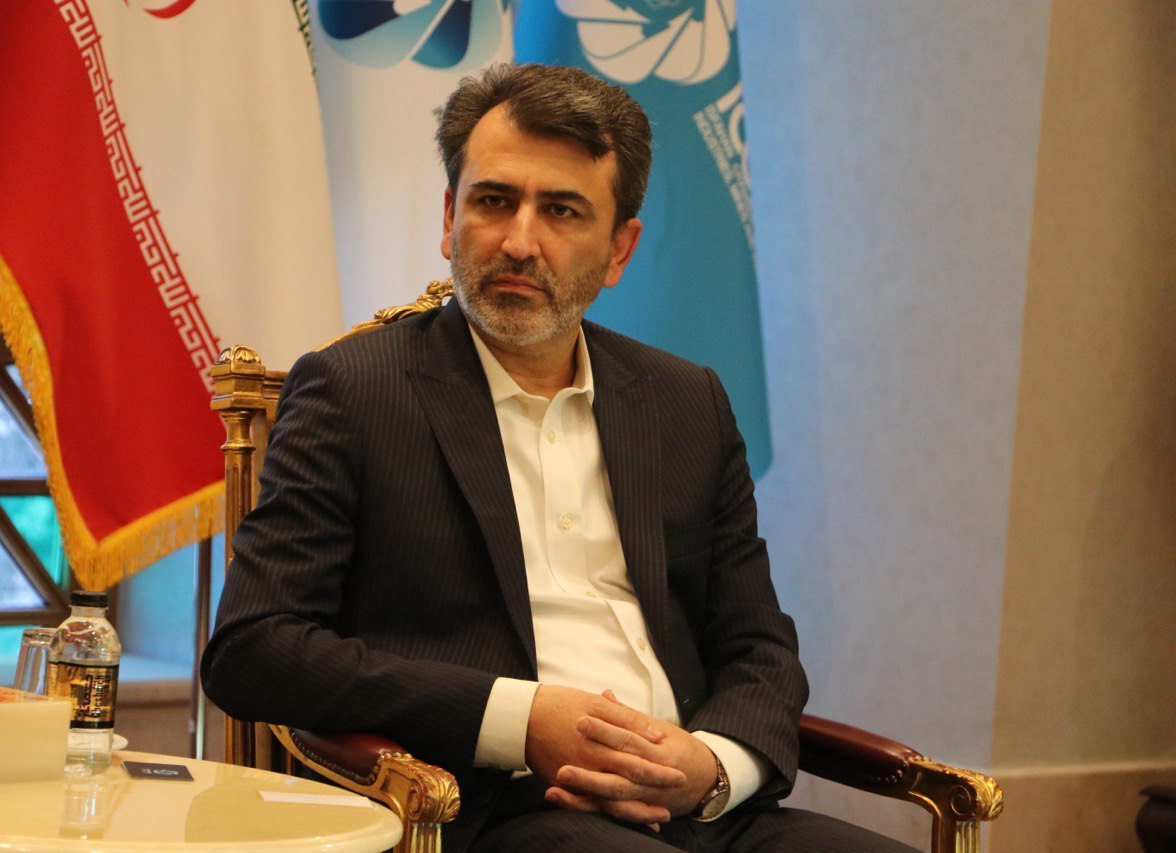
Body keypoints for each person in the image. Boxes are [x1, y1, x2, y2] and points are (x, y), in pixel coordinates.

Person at [202, 63, 913, 852]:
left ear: (619, 249)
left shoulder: (686, 402)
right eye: (493, 201)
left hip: (706, 811)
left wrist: (712, 767)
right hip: (496, 810)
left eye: (562, 211)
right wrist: (518, 717)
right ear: (449, 216)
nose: (519, 242)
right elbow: (255, 648)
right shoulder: (354, 391)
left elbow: (759, 647)